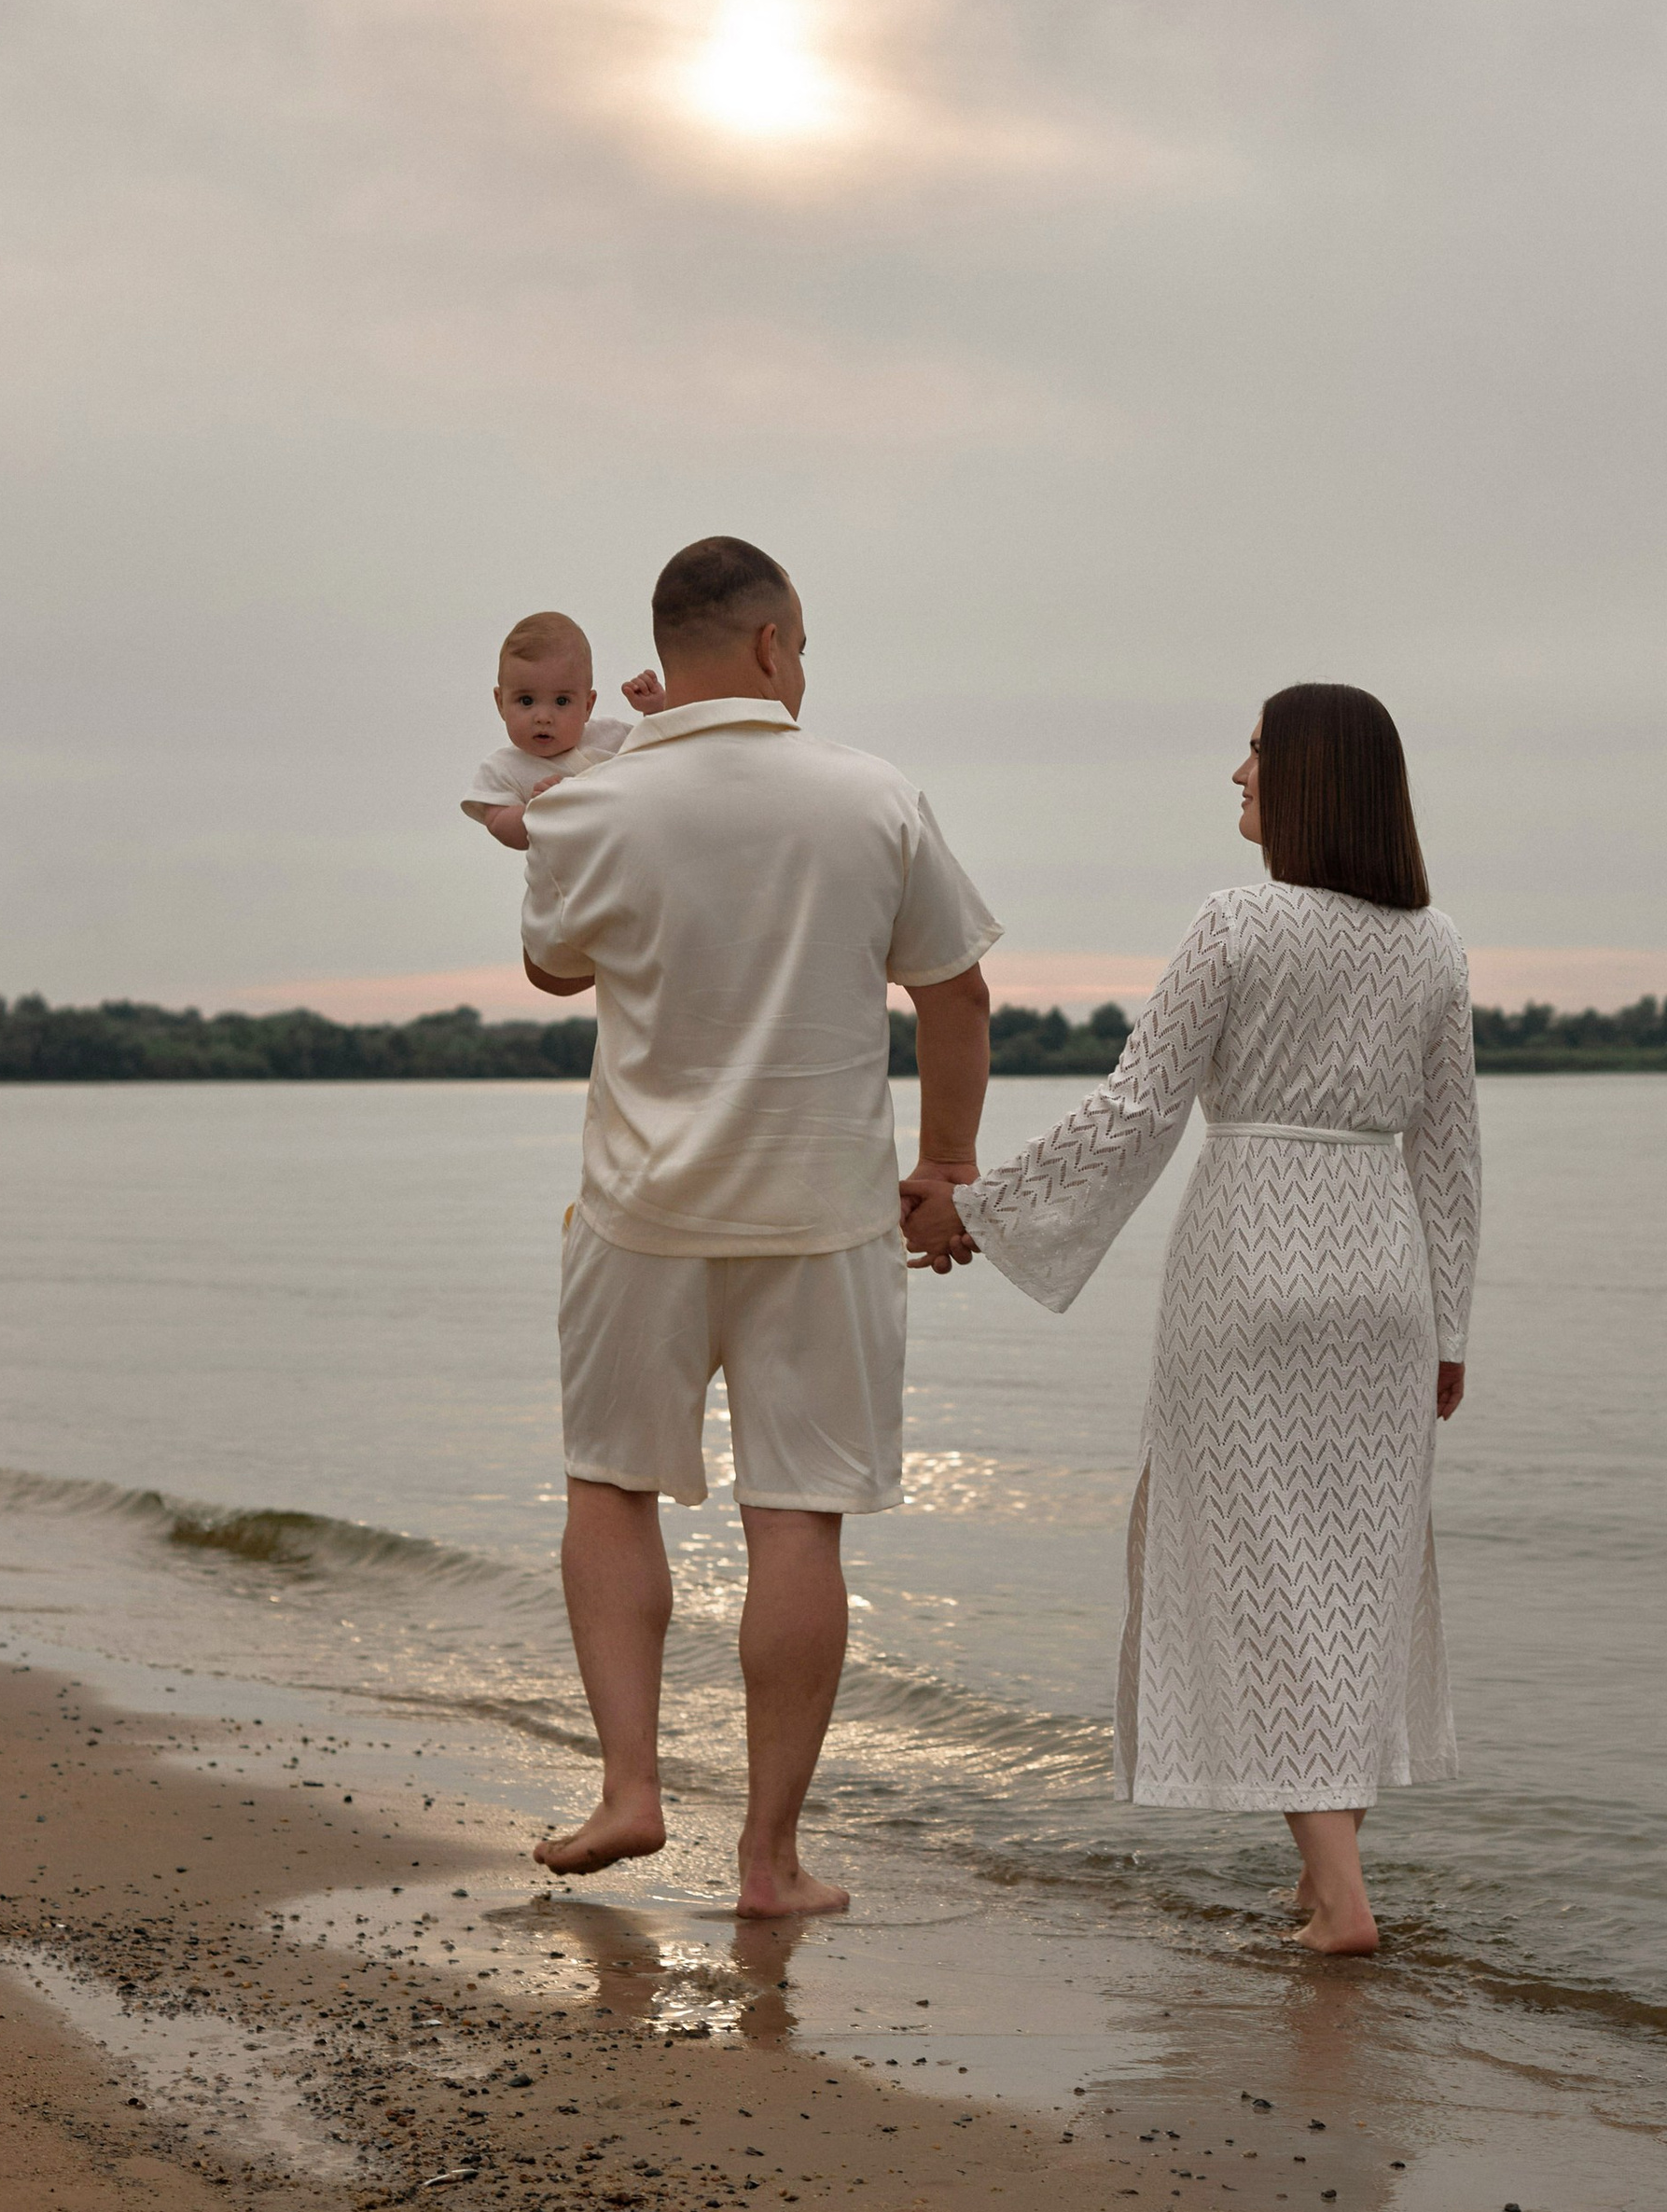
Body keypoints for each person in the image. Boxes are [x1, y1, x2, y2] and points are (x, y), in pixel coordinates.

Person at [900, 685, 1479, 1957]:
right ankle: (1324, 1872)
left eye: (1257, 754)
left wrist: (978, 1210)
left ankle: (1339, 1897)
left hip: (1254, 1262)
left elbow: (1133, 1112)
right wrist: (1450, 1328)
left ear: (1311, 779)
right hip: (1381, 1270)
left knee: (1257, 1566)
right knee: (1353, 1570)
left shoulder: (1236, 924)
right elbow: (1451, 1153)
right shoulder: (1435, 944)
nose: (1238, 774)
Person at [520, 536, 998, 1918]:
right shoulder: (872, 797)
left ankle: (629, 1787)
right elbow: (956, 995)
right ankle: (770, 1861)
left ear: (665, 654)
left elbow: (554, 971)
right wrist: (948, 1165)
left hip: (639, 1210)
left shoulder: (589, 802)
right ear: (778, 645)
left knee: (611, 1488)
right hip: (823, 1215)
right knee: (798, 1523)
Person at [461, 609, 651, 851]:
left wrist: (654, 711)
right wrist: (538, 811)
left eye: (561, 702)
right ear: (500, 703)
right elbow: (498, 823)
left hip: (626, 865)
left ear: (587, 706)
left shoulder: (610, 735)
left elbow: (661, 751)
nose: (543, 718)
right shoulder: (503, 768)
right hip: (566, 885)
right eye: (526, 701)